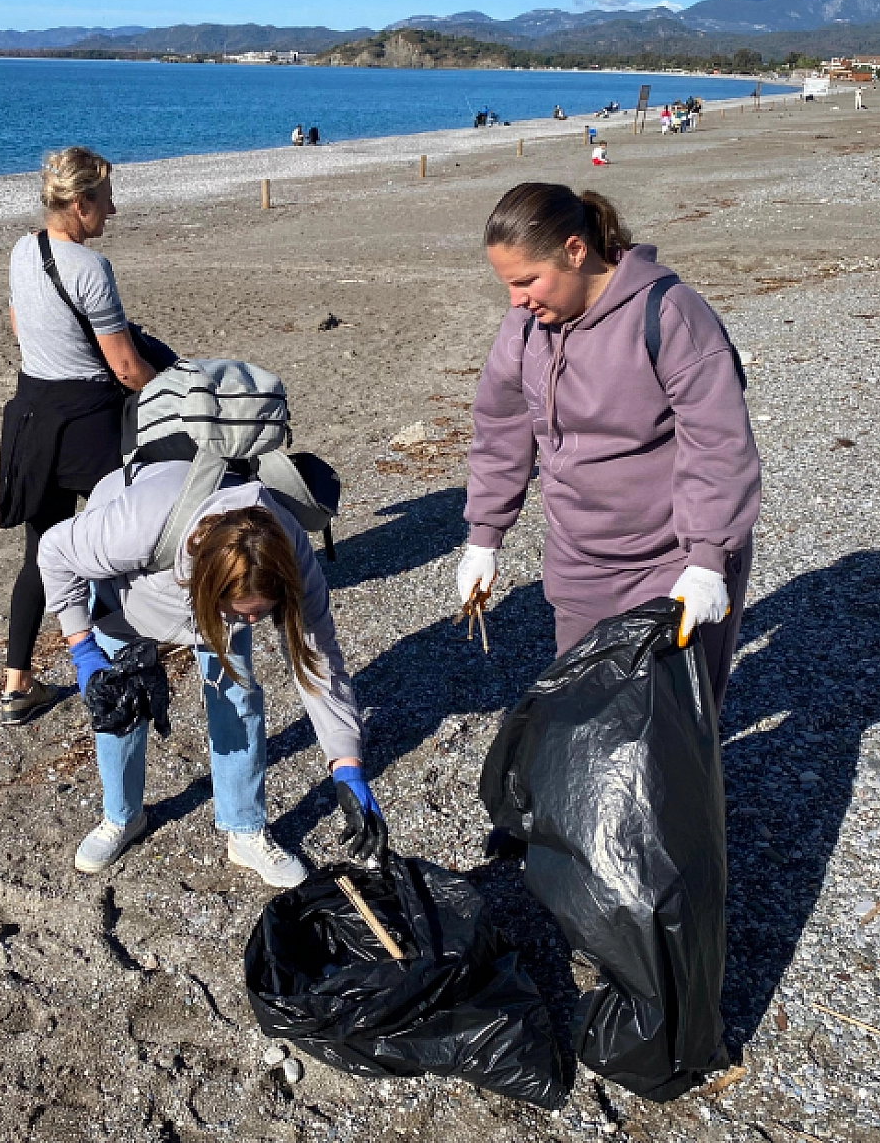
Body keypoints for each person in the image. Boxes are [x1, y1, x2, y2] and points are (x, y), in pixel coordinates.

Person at [456, 183, 759, 716]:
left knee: (674, 724)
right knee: (588, 715)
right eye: (507, 284)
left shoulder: (669, 314)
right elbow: (500, 429)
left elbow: (718, 441)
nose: (516, 299)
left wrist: (710, 558)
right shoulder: (524, 328)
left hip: (673, 562)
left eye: (528, 280)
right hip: (578, 562)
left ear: (576, 251)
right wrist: (484, 536)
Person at [38, 470, 388, 886]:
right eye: (245, 612)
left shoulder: (289, 551)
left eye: (262, 611)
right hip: (131, 594)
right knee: (118, 704)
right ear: (209, 584)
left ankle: (244, 829)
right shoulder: (134, 525)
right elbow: (53, 550)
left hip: (205, 607)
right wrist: (84, 652)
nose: (254, 620)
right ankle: (122, 816)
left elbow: (319, 659)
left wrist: (347, 765)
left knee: (238, 696)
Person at [0, 147, 157, 726]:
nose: (113, 210)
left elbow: (19, 323)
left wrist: (57, 345)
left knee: (41, 552)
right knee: (122, 535)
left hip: (33, 414)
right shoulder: (91, 270)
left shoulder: (24, 249)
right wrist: (174, 389)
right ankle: (125, 649)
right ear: (81, 202)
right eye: (107, 199)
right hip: (87, 420)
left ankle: (17, 685)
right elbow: (125, 369)